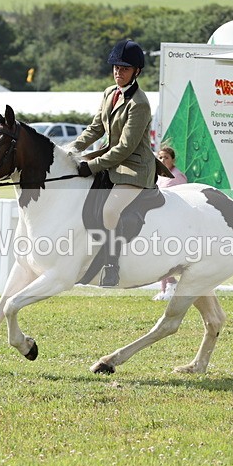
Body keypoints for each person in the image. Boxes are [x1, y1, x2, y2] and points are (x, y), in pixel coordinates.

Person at [69, 39, 155, 287]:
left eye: (124, 68)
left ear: (136, 71)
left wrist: (92, 165)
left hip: (133, 169)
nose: (119, 72)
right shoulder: (109, 93)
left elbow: (125, 147)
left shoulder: (139, 104)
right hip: (111, 161)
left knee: (109, 210)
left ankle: (111, 266)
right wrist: (73, 150)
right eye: (116, 68)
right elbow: (96, 128)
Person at [153, 146, 187, 301]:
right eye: (160, 157)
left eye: (166, 157)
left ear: (173, 159)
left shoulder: (177, 176)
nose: (162, 160)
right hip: (160, 218)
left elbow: (180, 198)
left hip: (173, 221)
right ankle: (164, 288)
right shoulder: (160, 176)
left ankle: (171, 285)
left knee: (167, 254)